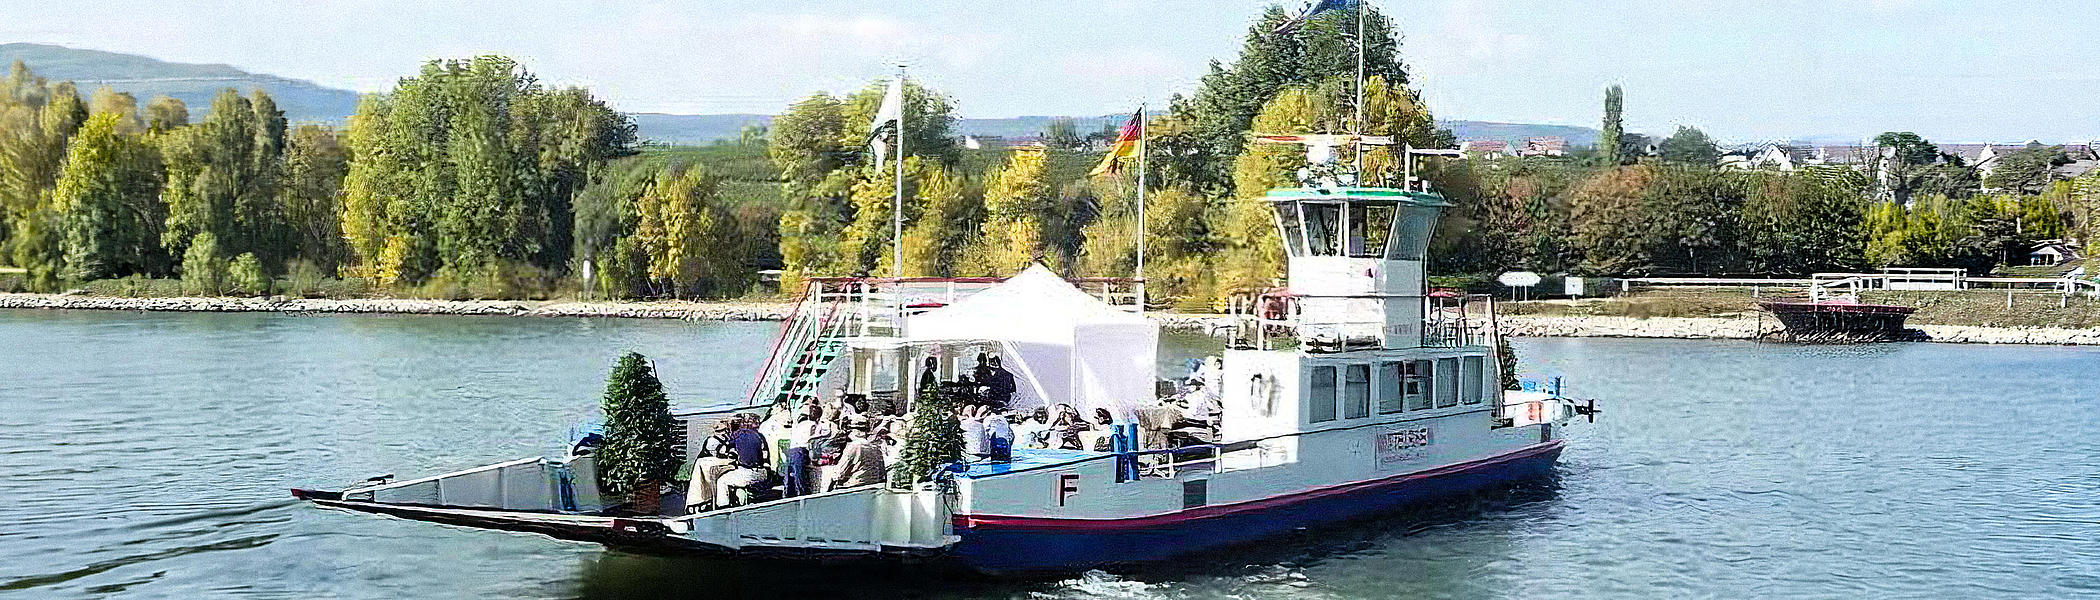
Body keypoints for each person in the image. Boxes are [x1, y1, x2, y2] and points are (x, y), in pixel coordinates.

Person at [715, 415, 771, 508]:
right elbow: (764, 455)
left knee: (722, 481)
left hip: (748, 473)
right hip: (763, 473)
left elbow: (721, 450)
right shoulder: (760, 436)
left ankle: (723, 508)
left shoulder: (737, 435)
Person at [685, 420, 738, 513]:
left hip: (716, 463)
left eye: (725, 430)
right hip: (705, 464)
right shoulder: (711, 441)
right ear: (716, 432)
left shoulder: (725, 439)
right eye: (721, 431)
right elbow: (721, 452)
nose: (724, 433)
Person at [828, 421, 888, 490]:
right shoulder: (876, 448)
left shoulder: (855, 446)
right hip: (873, 486)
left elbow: (840, 471)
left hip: (855, 486)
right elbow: (882, 472)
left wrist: (831, 483)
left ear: (856, 431)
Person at [782, 406, 822, 497]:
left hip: (791, 451)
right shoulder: (814, 425)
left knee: (790, 481)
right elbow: (812, 442)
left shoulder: (800, 425)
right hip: (800, 452)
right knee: (801, 481)